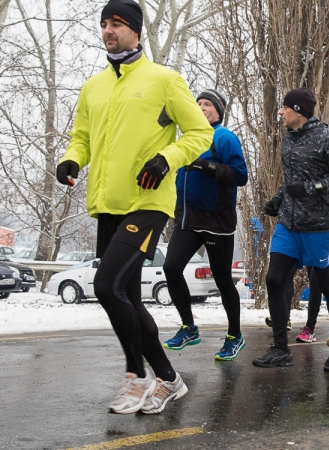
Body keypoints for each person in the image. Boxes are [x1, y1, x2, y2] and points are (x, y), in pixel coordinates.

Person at [55, 0, 213, 414]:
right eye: (105, 23)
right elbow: (82, 137)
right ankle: (169, 379)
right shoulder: (94, 86)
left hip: (148, 200)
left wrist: (167, 159)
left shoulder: (164, 79)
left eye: (118, 24)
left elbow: (199, 133)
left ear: (136, 31)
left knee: (106, 286)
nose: (109, 30)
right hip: (108, 203)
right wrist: (71, 159)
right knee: (124, 294)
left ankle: (137, 375)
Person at [252, 88, 329, 372]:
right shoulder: (288, 139)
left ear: (298, 110)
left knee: (325, 284)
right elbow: (291, 180)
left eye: (284, 108)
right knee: (274, 278)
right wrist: (278, 198)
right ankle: (280, 349)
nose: (281, 112)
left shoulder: (326, 138)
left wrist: (312, 188)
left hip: (318, 226)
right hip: (288, 223)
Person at [162, 88, 249, 361]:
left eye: (207, 104)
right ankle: (189, 326)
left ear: (218, 111)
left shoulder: (223, 137)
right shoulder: (186, 138)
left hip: (216, 221)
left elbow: (240, 175)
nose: (201, 107)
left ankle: (235, 335)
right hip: (187, 218)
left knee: (223, 280)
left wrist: (207, 167)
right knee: (171, 267)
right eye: (197, 103)